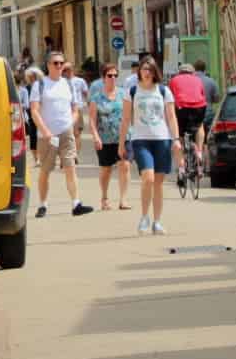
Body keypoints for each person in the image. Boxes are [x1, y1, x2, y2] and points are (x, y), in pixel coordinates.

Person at [32, 52, 93, 218]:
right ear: (48, 65)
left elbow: (75, 109)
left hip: (65, 133)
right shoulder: (40, 85)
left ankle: (76, 203)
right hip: (47, 134)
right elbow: (34, 111)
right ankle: (43, 204)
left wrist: (70, 123)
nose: (59, 66)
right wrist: (45, 132)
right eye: (55, 63)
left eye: (61, 63)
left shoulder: (68, 84)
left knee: (70, 167)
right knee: (45, 170)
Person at [121, 57, 175, 235]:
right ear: (139, 71)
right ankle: (144, 217)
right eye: (144, 69)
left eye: (150, 69)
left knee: (158, 183)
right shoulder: (132, 91)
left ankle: (157, 221)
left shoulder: (163, 91)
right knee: (148, 178)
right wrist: (122, 143)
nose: (146, 72)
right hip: (140, 139)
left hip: (162, 139)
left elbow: (171, 117)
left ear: (155, 72)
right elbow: (126, 119)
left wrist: (176, 139)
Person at [86, 64, 130, 210]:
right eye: (109, 75)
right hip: (104, 139)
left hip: (122, 137)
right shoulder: (96, 97)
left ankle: (123, 199)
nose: (113, 78)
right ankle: (104, 197)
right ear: (103, 78)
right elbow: (92, 120)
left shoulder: (124, 94)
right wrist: (95, 137)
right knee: (106, 169)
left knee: (125, 165)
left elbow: (129, 115)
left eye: (115, 75)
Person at [168, 62, 208, 179]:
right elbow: (201, 94)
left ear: (179, 72)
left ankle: (181, 169)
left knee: (178, 136)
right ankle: (199, 152)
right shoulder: (198, 80)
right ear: (193, 72)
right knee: (199, 125)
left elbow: (170, 98)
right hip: (199, 107)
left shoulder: (174, 80)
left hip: (181, 107)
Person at [195, 59, 221, 129]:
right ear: (204, 69)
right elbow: (217, 99)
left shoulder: (190, 81)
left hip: (193, 114)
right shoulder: (211, 81)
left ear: (194, 68)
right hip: (208, 113)